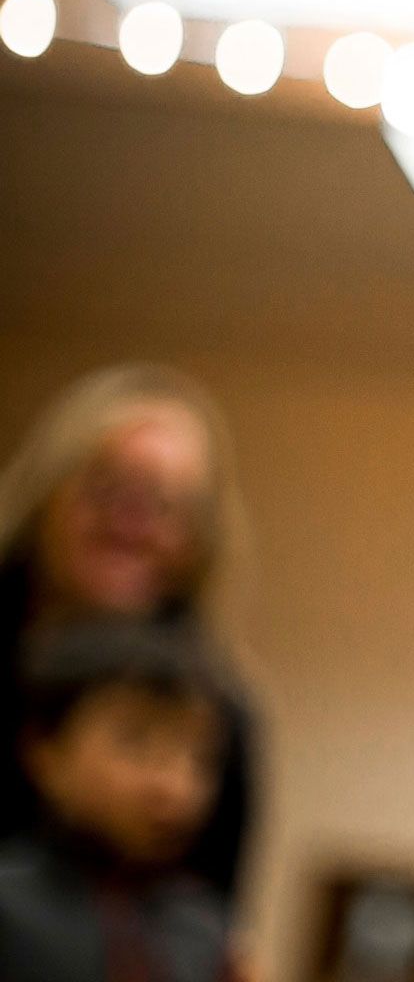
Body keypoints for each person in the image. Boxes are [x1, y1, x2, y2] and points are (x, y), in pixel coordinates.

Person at [0, 365, 260, 905]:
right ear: (48, 494)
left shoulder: (220, 709)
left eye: (167, 502)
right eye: (107, 486)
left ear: (199, 537)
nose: (132, 520)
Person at [0, 620, 235, 982]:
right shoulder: (10, 906)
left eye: (199, 757)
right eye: (135, 742)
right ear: (45, 751)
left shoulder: (203, 927)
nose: (173, 785)